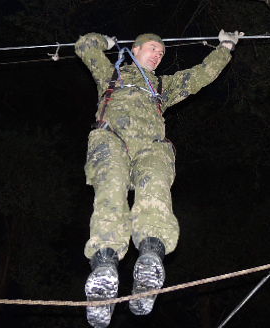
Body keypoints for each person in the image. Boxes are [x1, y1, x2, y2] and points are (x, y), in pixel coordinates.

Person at [75, 30, 242, 327]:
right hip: (111, 139)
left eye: (162, 53)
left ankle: (150, 259)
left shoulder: (163, 86)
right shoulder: (111, 74)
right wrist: (107, 42)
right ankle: (104, 266)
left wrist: (225, 47)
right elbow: (85, 45)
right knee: (110, 193)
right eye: (153, 48)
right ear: (136, 49)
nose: (158, 55)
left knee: (156, 191)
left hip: (150, 147)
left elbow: (201, 75)